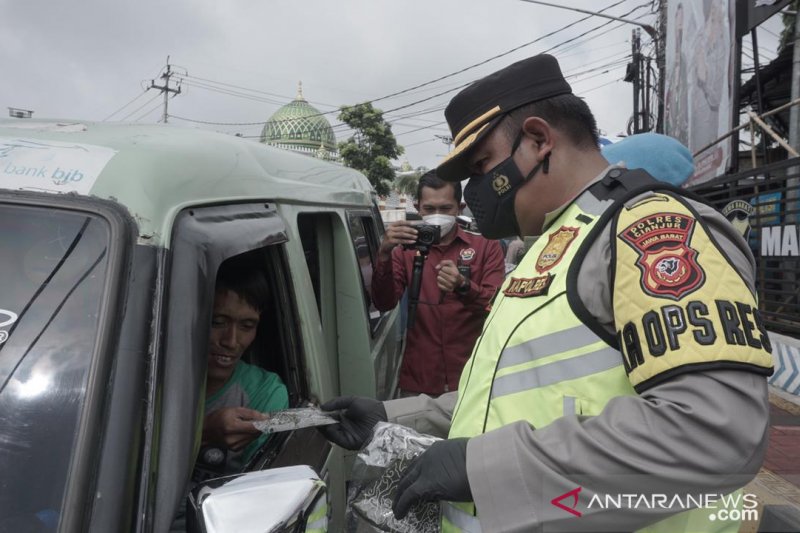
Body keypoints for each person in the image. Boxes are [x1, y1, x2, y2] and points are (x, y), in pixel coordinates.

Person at [321, 54, 773, 532]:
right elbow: (514, 393)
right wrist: (397, 418)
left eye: (481, 166)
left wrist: (485, 469)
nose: (474, 190)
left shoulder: (651, 231)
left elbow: (713, 435)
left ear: (537, 141)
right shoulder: (556, 244)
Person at [371, 170, 505, 397]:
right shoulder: (405, 249)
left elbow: (497, 307)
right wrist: (383, 255)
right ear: (417, 208)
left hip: (472, 376)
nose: (437, 216)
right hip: (419, 378)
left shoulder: (486, 247)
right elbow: (384, 302)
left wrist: (464, 286)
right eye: (429, 209)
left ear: (459, 208)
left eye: (445, 209)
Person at [200, 260, 289, 475]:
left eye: (247, 326)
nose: (231, 341)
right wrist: (202, 431)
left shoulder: (265, 393)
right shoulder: (151, 382)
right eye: (217, 322)